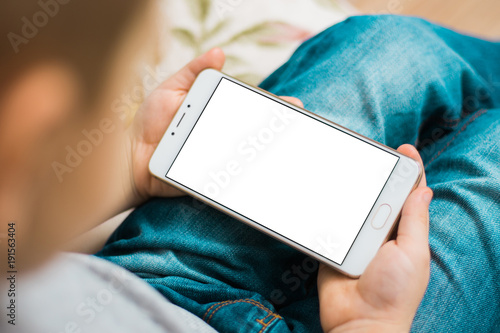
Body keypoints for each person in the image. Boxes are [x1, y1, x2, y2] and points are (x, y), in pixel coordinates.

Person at [0, 1, 498, 332]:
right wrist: (369, 326)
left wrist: (129, 170)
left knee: (389, 42)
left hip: (146, 279)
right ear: (34, 125)